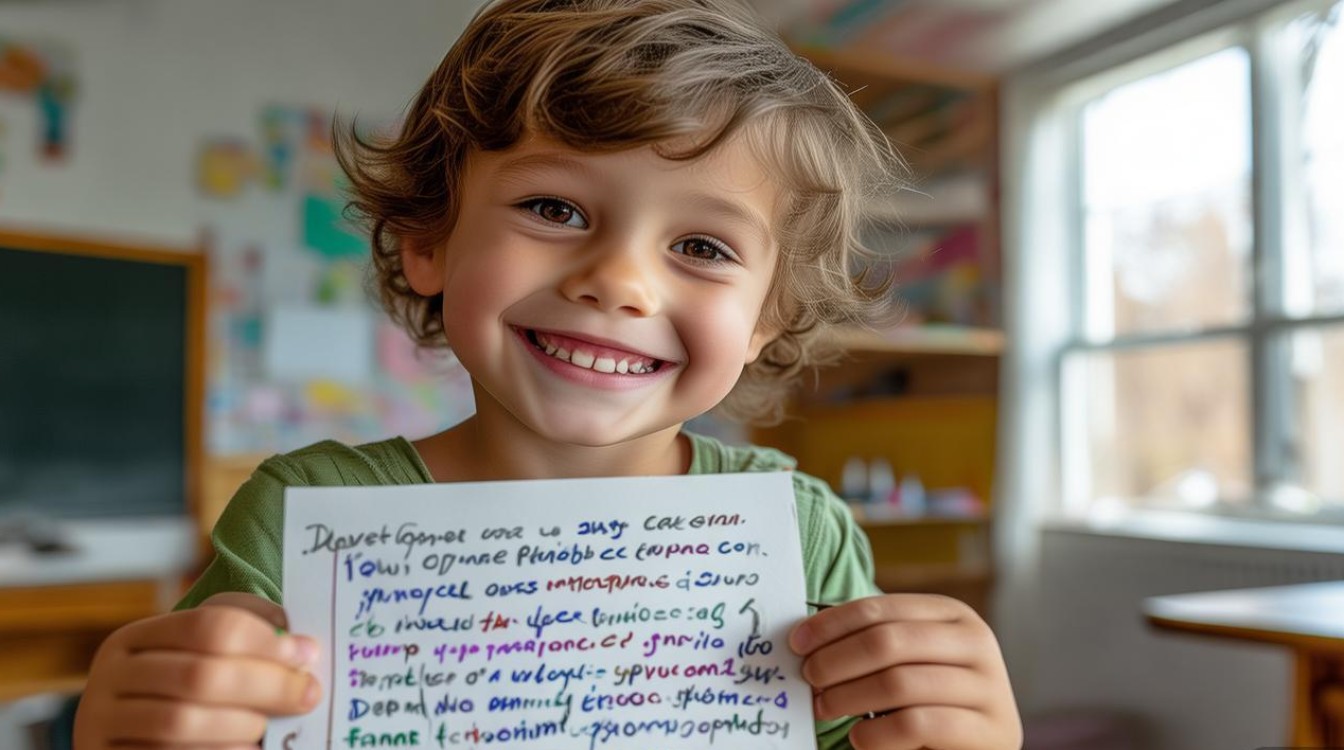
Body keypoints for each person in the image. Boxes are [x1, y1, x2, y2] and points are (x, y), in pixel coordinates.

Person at [73, 1, 1022, 748]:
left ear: (766, 317)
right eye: (554, 209)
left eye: (700, 244)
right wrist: (140, 722)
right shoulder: (304, 511)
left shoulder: (801, 530)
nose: (617, 281)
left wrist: (953, 730)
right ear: (429, 246)